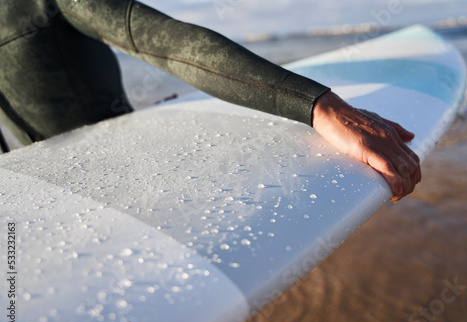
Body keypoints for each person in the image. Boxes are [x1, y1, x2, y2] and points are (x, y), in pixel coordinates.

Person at [0, 0, 420, 202]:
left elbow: (167, 44)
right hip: (111, 191)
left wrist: (320, 107)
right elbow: (166, 44)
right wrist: (323, 108)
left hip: (69, 192)